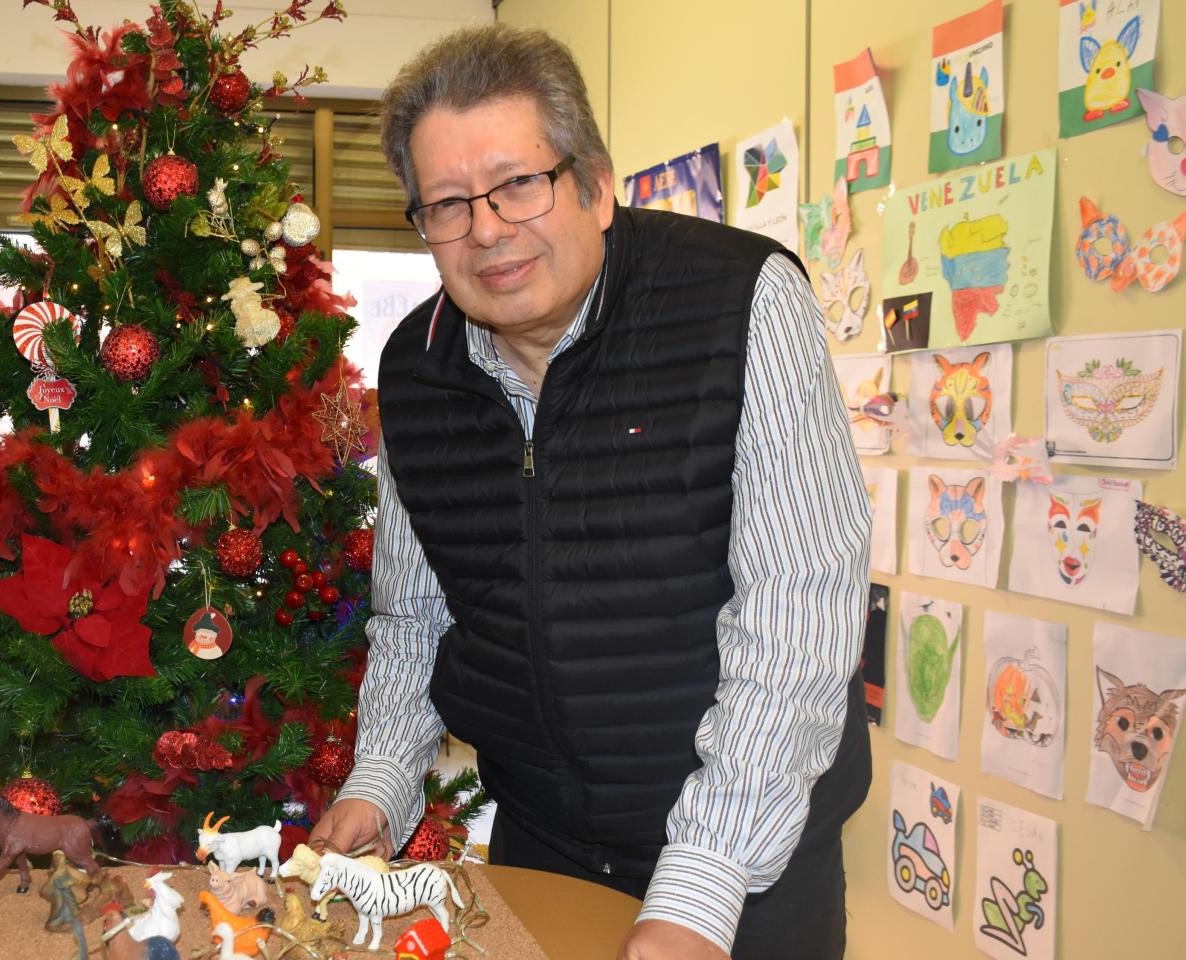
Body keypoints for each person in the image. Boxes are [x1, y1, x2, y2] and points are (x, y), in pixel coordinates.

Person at [306, 24, 872, 960]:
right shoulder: (416, 366)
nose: (486, 229)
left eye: (517, 183)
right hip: (544, 842)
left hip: (747, 856)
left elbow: (798, 615)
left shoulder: (742, 304)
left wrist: (699, 886)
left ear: (595, 185)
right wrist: (379, 784)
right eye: (446, 203)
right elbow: (416, 615)